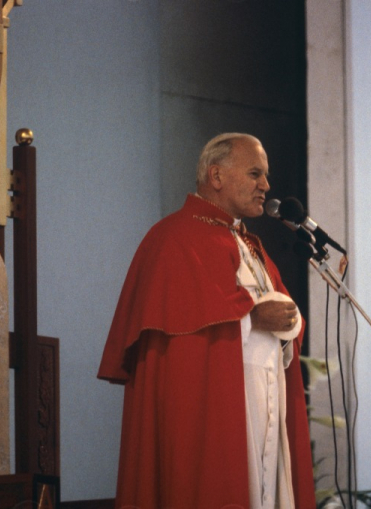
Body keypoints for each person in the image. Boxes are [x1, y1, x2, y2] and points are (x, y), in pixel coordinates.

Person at [97, 133, 316, 509]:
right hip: (215, 409)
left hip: (265, 400)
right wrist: (252, 315)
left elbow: (276, 317)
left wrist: (287, 322)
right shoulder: (173, 238)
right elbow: (183, 348)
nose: (266, 186)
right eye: (254, 174)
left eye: (265, 176)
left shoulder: (251, 245)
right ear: (216, 176)